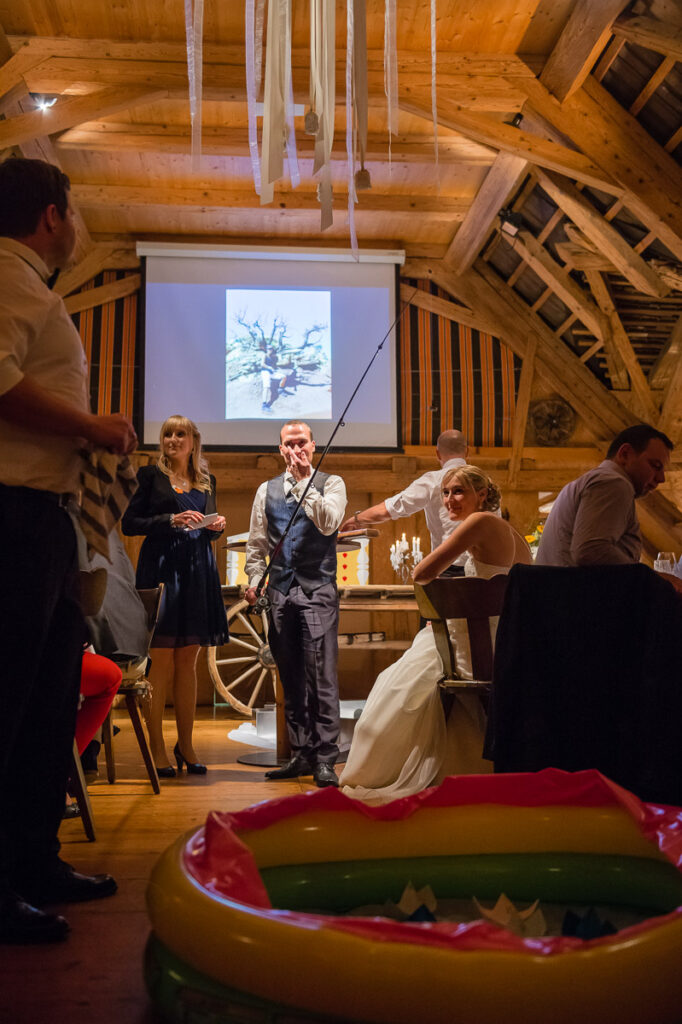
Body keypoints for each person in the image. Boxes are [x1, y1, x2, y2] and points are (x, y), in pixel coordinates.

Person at [0, 157, 137, 944]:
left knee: (49, 701)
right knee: (11, 704)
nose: (78, 227)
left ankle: (34, 859)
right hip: (13, 515)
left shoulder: (31, 286)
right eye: (75, 212)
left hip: (43, 519)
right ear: (52, 215)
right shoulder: (8, 279)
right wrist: (91, 428)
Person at [339, 465, 531, 805]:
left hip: (476, 649)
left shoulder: (478, 523)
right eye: (444, 493)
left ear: (481, 495)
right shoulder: (510, 531)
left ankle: (392, 769)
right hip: (508, 648)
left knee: (396, 681)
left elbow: (422, 573)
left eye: (458, 491)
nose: (448, 500)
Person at [121, 415, 228, 777]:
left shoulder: (207, 481)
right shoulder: (150, 477)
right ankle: (156, 748)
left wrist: (215, 528)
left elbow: (206, 531)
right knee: (161, 663)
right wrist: (170, 520)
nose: (173, 439)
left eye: (180, 434)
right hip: (162, 573)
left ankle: (187, 744)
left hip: (198, 575)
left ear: (193, 441)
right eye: (168, 433)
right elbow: (129, 523)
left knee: (188, 662)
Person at [245, 420, 347, 787]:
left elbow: (328, 523)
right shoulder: (266, 490)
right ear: (280, 450)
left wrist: (305, 480)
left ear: (314, 445)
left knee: (321, 677)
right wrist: (255, 581)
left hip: (318, 590)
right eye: (289, 444)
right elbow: (257, 545)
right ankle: (301, 755)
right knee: (290, 677)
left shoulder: (331, 484)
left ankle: (325, 759)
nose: (296, 449)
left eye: (302, 442)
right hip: (280, 594)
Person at [536, 424, 674, 568]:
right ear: (625, 454)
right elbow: (590, 550)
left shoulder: (590, 482)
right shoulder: (613, 483)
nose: (661, 478)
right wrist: (650, 578)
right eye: (655, 466)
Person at [341, 429, 469, 573]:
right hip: (486, 569)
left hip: (448, 567)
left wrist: (356, 519)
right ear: (467, 451)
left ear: (437, 453)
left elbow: (391, 508)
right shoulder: (485, 480)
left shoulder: (434, 480)